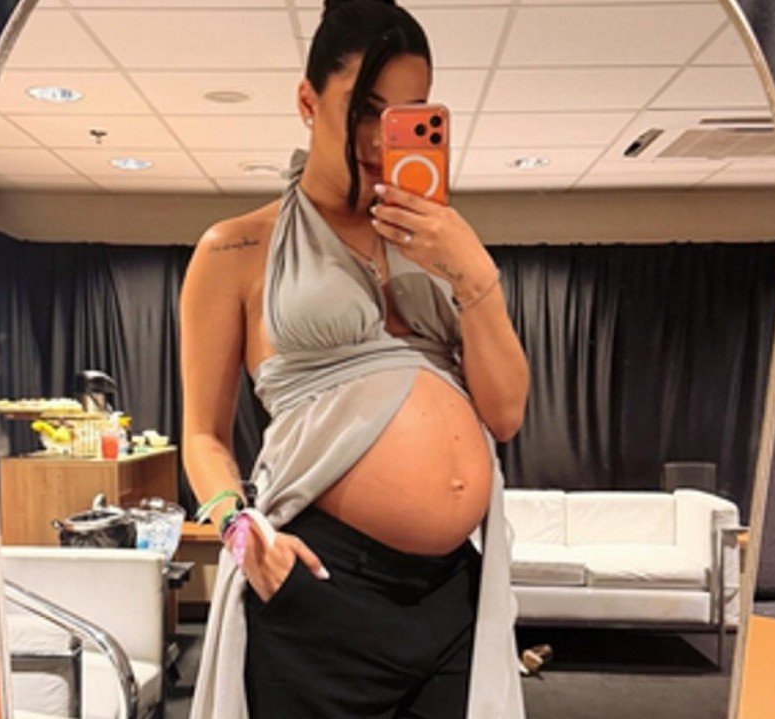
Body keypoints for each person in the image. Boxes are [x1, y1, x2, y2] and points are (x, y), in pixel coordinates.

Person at [179, 0, 529, 716]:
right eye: (367, 110)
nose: (381, 137)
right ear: (308, 102)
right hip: (321, 583)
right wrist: (240, 534)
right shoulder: (236, 248)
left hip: (452, 593)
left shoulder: (439, 245)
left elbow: (504, 414)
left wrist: (472, 273)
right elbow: (203, 436)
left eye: (407, 115)